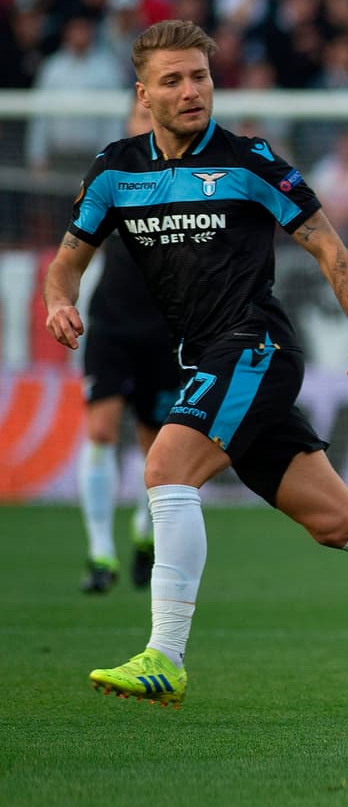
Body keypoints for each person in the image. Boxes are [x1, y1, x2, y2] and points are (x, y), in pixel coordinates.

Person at [43, 20, 348, 709]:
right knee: (338, 522)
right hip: (205, 357)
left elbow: (328, 248)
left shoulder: (251, 161)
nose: (191, 91)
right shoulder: (114, 170)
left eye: (201, 77)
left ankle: (165, 656)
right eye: (173, 80)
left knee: (165, 467)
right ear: (143, 93)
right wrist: (60, 303)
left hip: (255, 348)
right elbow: (66, 263)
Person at [77, 98, 183, 594]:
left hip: (165, 326)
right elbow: (77, 244)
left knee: (154, 445)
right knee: (99, 429)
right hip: (112, 321)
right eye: (140, 117)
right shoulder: (112, 173)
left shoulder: (193, 176)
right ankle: (101, 553)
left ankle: (144, 534)